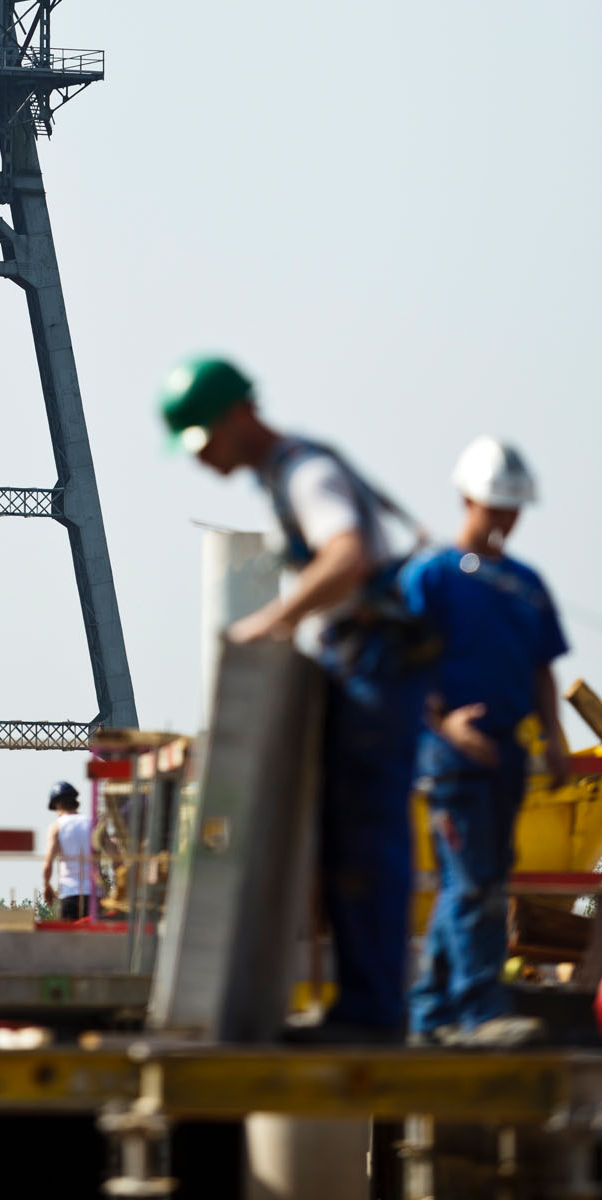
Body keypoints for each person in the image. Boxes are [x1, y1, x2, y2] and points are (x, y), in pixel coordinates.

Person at [161, 354, 434, 1039]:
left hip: (369, 660)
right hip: (359, 661)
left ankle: (371, 1013)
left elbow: (348, 557)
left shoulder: (306, 474)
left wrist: (273, 621)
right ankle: (363, 1006)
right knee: (349, 842)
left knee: (365, 841)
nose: (202, 461)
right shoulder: (286, 476)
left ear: (236, 418)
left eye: (203, 441)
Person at [401, 438, 568, 1044]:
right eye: (496, 506)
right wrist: (443, 725)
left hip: (506, 750)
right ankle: (479, 1011)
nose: (505, 520)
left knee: (483, 877)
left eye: (513, 509)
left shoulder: (523, 584)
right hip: (451, 754)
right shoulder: (432, 578)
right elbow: (405, 662)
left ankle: (431, 1012)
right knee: (472, 882)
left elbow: (542, 666)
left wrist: (553, 736)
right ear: (468, 499)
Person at [41, 780, 92, 921]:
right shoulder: (93, 822)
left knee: (70, 941)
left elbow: (47, 864)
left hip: (70, 894)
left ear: (56, 805)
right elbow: (115, 856)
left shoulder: (57, 826)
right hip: (94, 895)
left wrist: (46, 885)